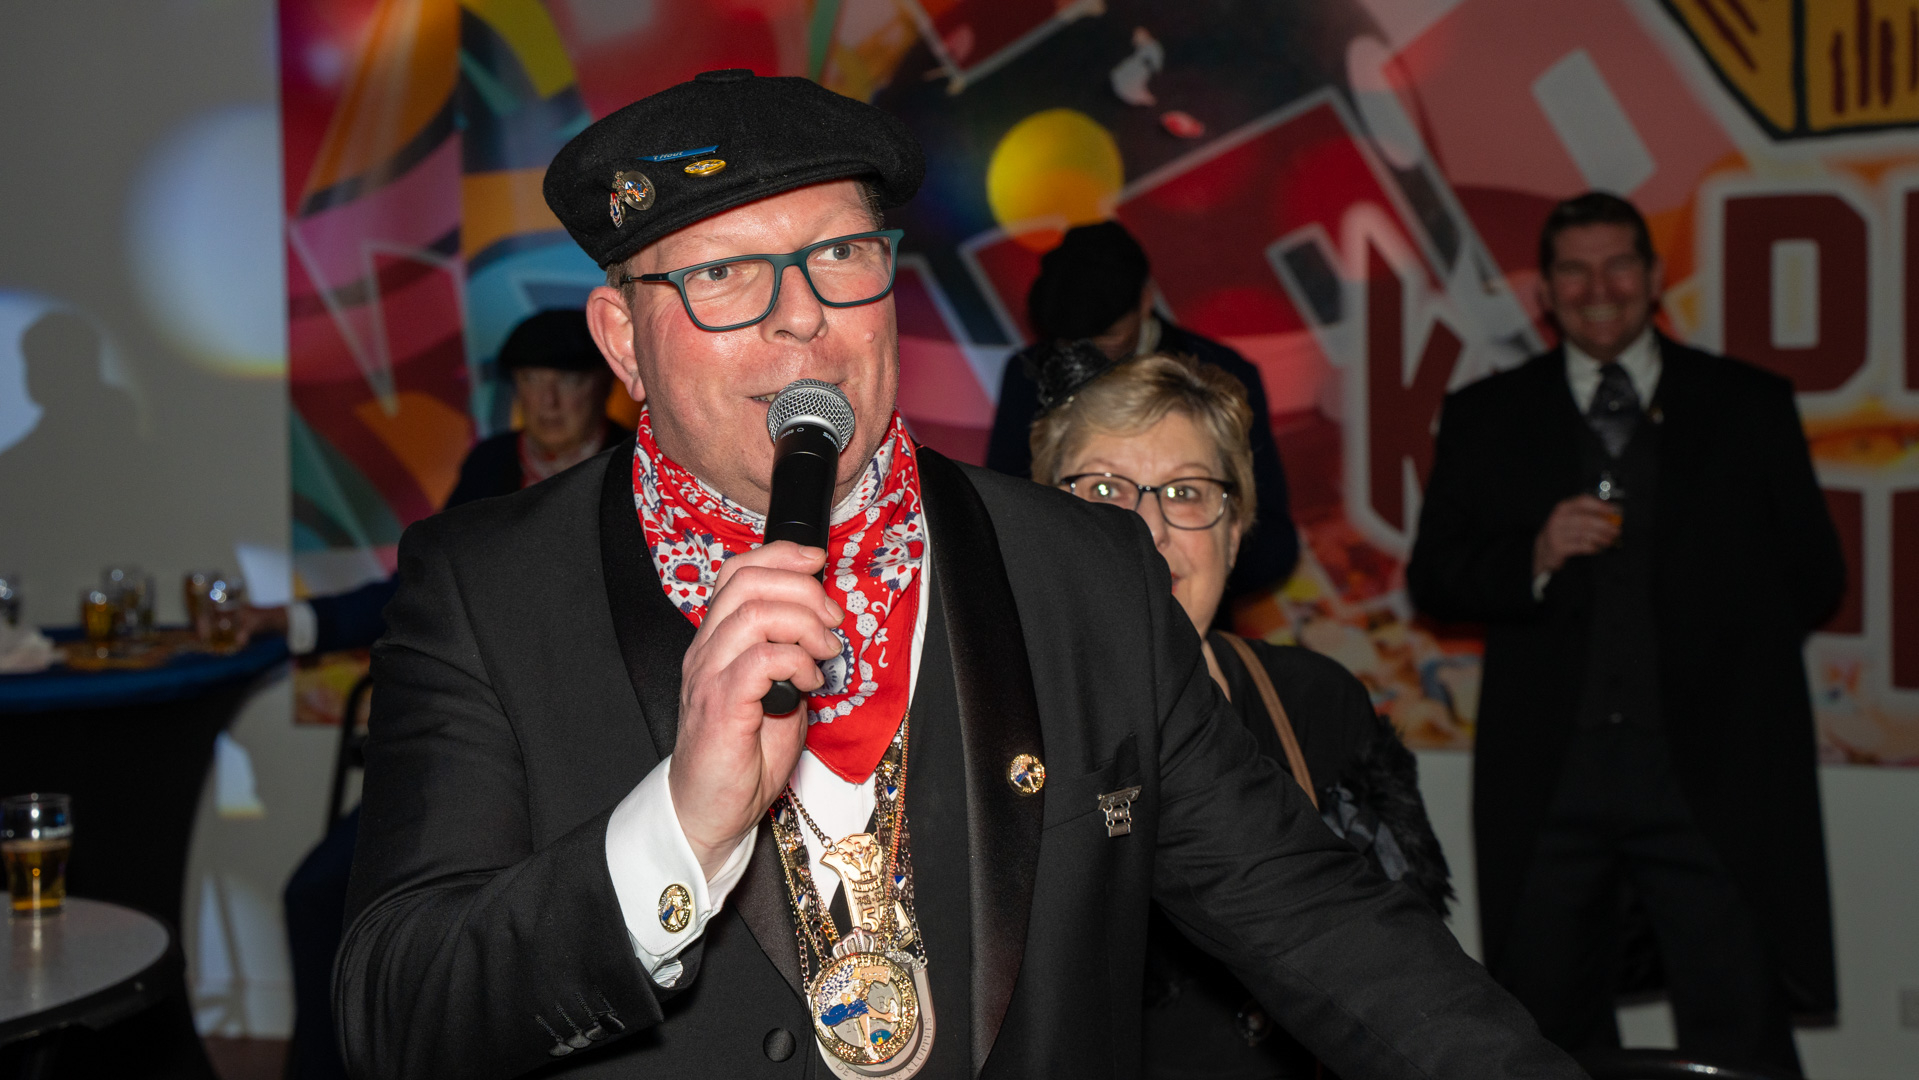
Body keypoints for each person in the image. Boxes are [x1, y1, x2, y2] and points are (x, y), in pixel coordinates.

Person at [334, 69, 1579, 1080]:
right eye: (721, 275)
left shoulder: (1080, 572)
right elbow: (398, 1013)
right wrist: (679, 827)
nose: (799, 317)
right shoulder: (489, 589)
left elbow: (1308, 916)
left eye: (838, 255)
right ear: (622, 339)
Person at [1406, 192, 1845, 1075]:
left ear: (1652, 278)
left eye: (1616, 266)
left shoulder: (1746, 404)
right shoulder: (1488, 413)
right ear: (1545, 291)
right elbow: (1435, 580)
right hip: (1549, 784)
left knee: (1742, 1027)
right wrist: (1532, 555)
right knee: (1540, 1035)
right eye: (1573, 271)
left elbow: (1815, 580)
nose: (1596, 289)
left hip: (1712, 780)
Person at [1029, 343, 1452, 1079]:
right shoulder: (987, 720)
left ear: (1234, 531)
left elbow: (1404, 980)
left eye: (1186, 491)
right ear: (1037, 520)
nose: (1147, 530)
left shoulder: (1316, 702)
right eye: (1103, 488)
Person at [986, 221, 1300, 603]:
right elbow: (1000, 518)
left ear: (1146, 300)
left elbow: (1274, 543)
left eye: (1108, 337)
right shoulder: (1029, 374)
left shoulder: (1220, 374)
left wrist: (1194, 565)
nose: (1088, 354)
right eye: (1072, 342)